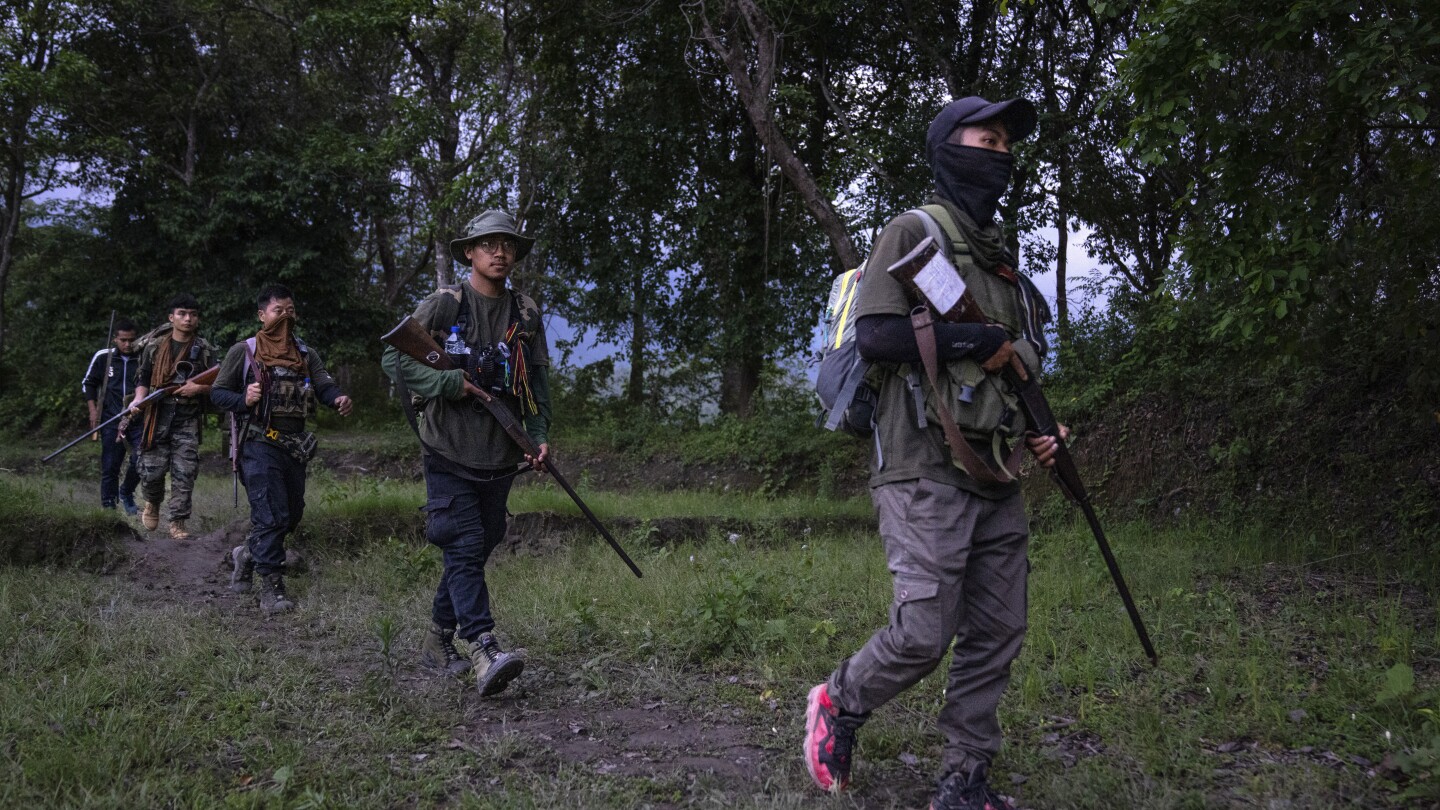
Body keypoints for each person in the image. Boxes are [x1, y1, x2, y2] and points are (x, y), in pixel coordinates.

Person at [802, 96, 1069, 810]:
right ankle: (841, 702)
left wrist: (1045, 430)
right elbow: (880, 337)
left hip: (996, 469)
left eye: (1008, 143)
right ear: (951, 146)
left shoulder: (999, 264)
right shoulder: (913, 232)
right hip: (921, 466)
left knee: (997, 629)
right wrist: (972, 342)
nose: (1001, 154)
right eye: (988, 138)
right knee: (924, 629)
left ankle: (964, 777)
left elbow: (1016, 368)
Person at [382, 209, 551, 697]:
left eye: (508, 245)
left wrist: (538, 434)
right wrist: (446, 382)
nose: (500, 253)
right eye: (489, 244)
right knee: (461, 539)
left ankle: (438, 636)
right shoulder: (444, 304)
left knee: (484, 539)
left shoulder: (526, 313)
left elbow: (537, 381)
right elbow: (392, 357)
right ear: (470, 253)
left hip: (501, 450)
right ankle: (482, 645)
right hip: (447, 447)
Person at [211, 284, 353, 614]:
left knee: (290, 515)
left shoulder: (306, 353)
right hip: (257, 444)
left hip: (294, 446)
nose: (285, 317)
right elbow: (218, 394)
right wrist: (243, 400)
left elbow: (324, 386)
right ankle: (271, 589)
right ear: (262, 316)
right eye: (278, 311)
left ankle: (245, 554)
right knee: (271, 515)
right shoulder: (244, 352)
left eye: (290, 311)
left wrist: (338, 399)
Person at [128, 294, 219, 539]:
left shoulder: (205, 350)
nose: (188, 319)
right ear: (172, 317)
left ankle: (178, 522)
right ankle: (152, 502)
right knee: (151, 471)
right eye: (182, 314)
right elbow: (143, 377)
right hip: (156, 415)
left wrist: (198, 389)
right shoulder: (155, 346)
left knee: (185, 471)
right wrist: (139, 399)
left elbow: (221, 383)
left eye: (193, 314)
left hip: (187, 418)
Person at [81, 318, 142, 515]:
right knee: (110, 466)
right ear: (115, 339)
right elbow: (89, 383)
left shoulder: (144, 357)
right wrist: (93, 411)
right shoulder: (103, 357)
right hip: (110, 419)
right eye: (123, 340)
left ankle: (126, 492)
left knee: (141, 459)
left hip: (138, 419)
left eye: (131, 340)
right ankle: (109, 508)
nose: (127, 344)